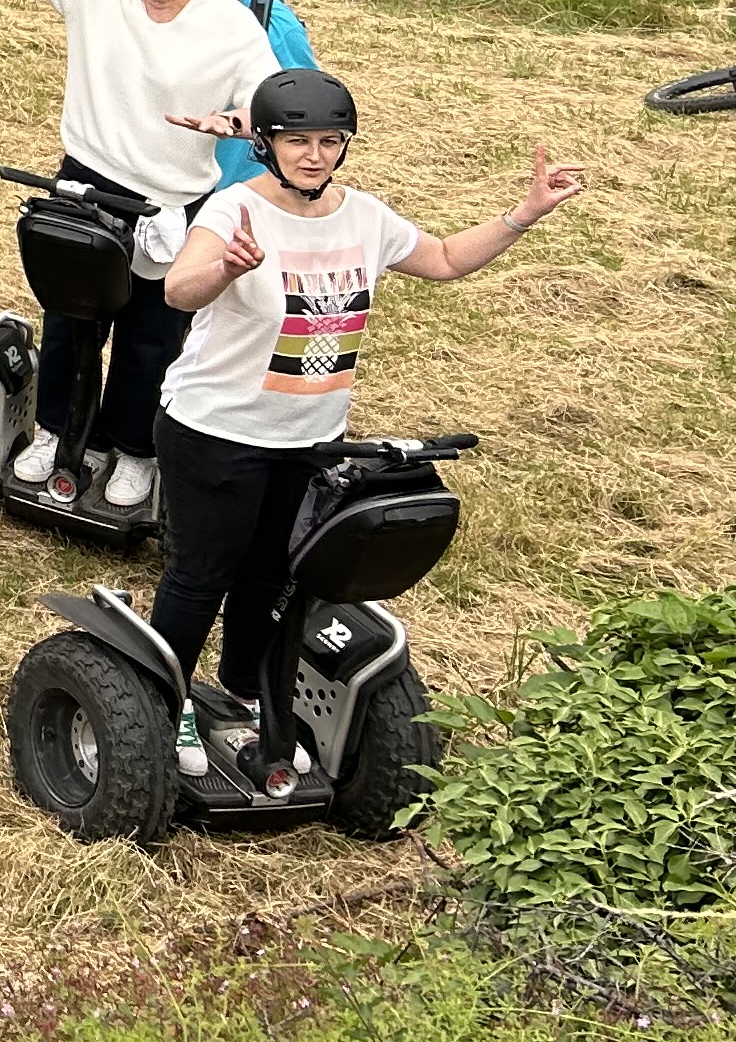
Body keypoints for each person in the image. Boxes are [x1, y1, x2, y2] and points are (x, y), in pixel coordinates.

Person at [154, 71, 584, 793]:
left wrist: (524, 214)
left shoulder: (367, 218)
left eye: (329, 142)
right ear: (264, 144)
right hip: (216, 430)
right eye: (297, 142)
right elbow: (177, 288)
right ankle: (165, 705)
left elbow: (444, 260)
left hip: (312, 439)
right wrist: (225, 271)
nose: (314, 156)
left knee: (272, 577)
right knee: (202, 574)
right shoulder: (234, 211)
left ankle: (243, 692)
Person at [0, 0, 281, 511]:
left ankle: (132, 450)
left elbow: (267, 95)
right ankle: (51, 432)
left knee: (148, 334)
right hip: (89, 180)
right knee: (71, 319)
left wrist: (239, 122)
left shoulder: (231, 26)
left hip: (171, 196)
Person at [191, 0, 317, 189]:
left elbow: (308, 108)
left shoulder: (275, 22)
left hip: (238, 187)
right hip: (164, 179)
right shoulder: (162, 1)